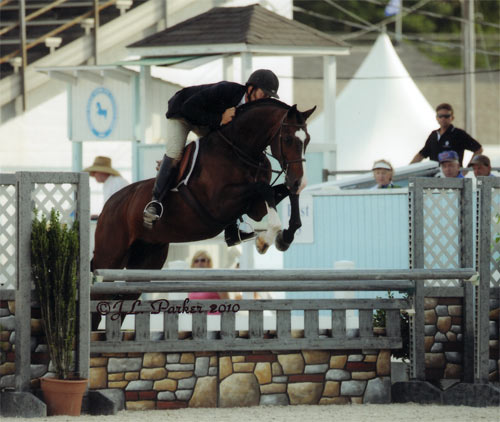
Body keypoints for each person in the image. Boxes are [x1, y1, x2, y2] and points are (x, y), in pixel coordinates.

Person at [142, 69, 280, 247]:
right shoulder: (226, 91)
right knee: (175, 153)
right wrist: (219, 118)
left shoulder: (251, 110)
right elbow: (189, 109)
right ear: (251, 88)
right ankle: (155, 204)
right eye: (264, 93)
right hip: (183, 113)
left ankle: (233, 228)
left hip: (208, 121)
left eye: (269, 96)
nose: (265, 99)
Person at [410, 103, 482, 167]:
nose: (443, 118)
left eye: (446, 116)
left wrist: (467, 169)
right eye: (440, 116)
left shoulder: (458, 134)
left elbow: (478, 149)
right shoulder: (433, 135)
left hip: (453, 177)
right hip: (435, 176)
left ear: (452, 118)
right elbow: (422, 154)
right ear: (437, 118)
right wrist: (407, 169)